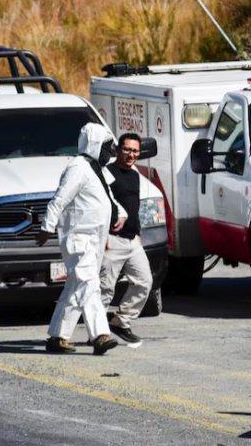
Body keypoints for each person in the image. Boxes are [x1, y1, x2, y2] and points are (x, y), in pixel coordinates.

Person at [36, 123, 126, 355]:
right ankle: (100, 336)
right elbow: (59, 199)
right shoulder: (78, 167)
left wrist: (121, 213)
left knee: (75, 288)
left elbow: (107, 197)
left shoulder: (97, 169)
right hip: (78, 240)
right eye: (108, 146)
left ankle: (58, 337)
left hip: (94, 241)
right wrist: (47, 226)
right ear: (95, 144)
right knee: (89, 284)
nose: (111, 151)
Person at [100, 133, 154, 344]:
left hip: (132, 240)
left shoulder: (134, 174)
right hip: (112, 240)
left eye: (135, 151)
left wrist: (138, 232)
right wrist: (103, 234)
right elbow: (103, 205)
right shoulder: (107, 173)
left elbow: (134, 205)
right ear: (117, 149)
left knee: (144, 282)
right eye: (127, 149)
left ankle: (121, 321)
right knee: (105, 288)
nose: (131, 154)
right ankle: (98, 333)